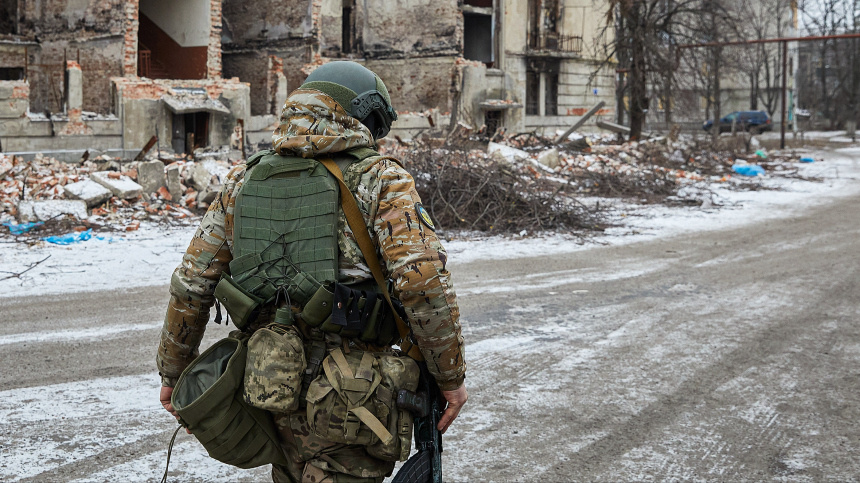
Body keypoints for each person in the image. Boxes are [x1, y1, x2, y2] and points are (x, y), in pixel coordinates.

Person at [156, 61, 467, 483]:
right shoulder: (379, 179)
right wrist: (450, 377)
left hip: (268, 381)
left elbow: (192, 284)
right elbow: (421, 282)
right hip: (354, 394)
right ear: (364, 115)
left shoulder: (242, 181)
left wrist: (174, 372)